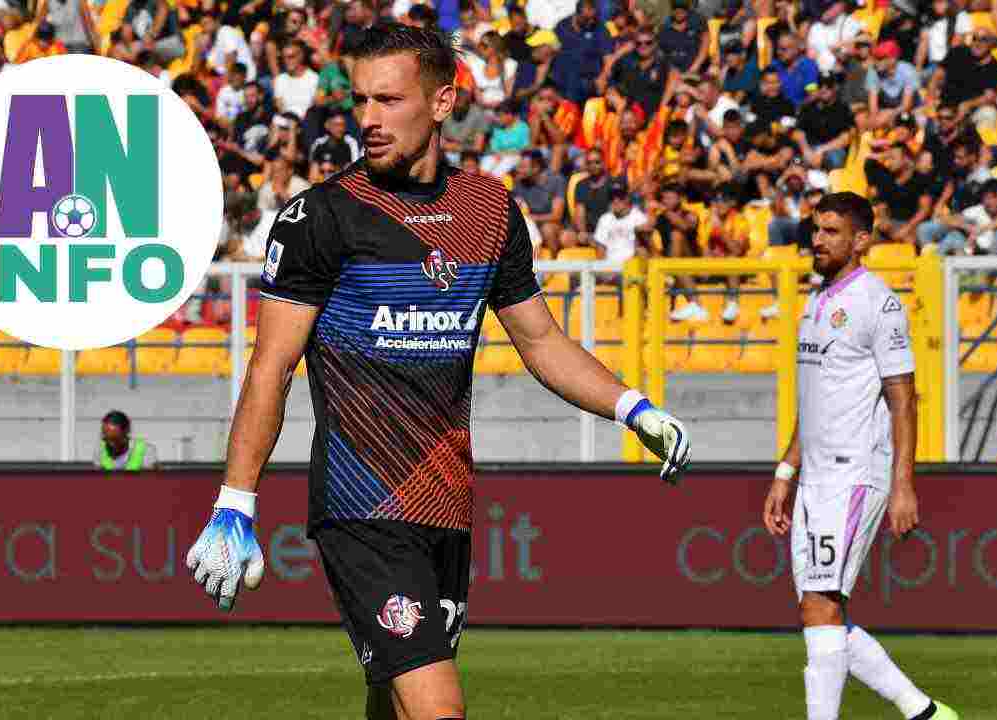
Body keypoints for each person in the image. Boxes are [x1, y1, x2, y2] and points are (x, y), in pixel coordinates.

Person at [184, 23, 692, 720]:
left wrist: (634, 407)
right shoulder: (320, 216)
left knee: (391, 700)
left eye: (389, 100)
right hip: (362, 507)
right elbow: (271, 365)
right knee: (437, 708)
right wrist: (235, 501)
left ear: (445, 101)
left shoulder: (490, 212)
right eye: (361, 100)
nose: (367, 119)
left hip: (447, 501)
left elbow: (541, 341)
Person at [762, 192, 958, 720]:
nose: (817, 240)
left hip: (853, 475)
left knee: (822, 604)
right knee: (818, 610)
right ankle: (922, 712)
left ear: (861, 240)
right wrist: (786, 471)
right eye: (815, 230)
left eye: (830, 231)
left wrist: (903, 484)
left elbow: (902, 398)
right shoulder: (815, 301)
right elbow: (815, 401)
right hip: (815, 476)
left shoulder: (879, 303)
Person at [94, 410, 159, 471]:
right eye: (105, 437)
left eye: (114, 438)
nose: (110, 443)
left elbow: (151, 479)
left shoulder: (146, 450)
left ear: (126, 431)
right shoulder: (100, 450)